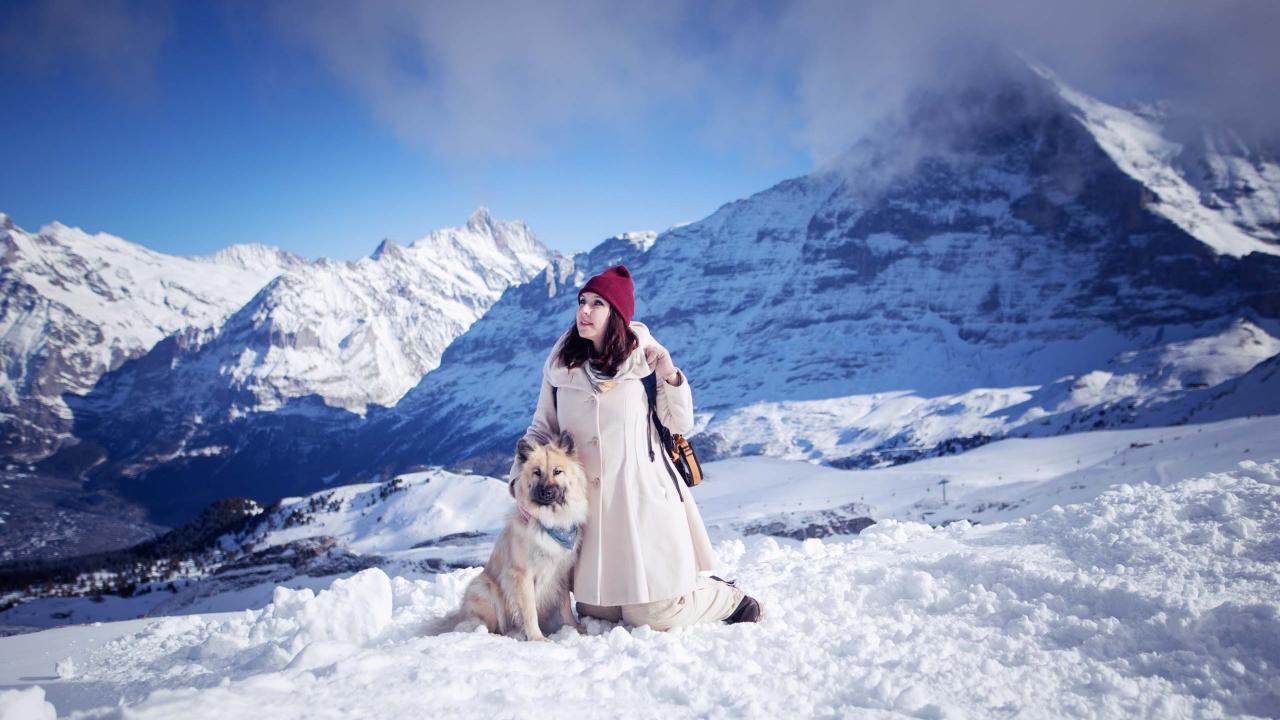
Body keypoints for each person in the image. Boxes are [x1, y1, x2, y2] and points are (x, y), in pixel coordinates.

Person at [510, 264, 762, 631]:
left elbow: (680, 423)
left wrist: (671, 375)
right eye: (582, 301)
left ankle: (723, 596)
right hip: (591, 513)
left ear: (616, 312)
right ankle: (668, 593)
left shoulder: (646, 359)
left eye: (597, 303)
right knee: (599, 613)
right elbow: (542, 427)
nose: (584, 310)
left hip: (643, 502)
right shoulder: (560, 365)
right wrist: (520, 480)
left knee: (653, 616)